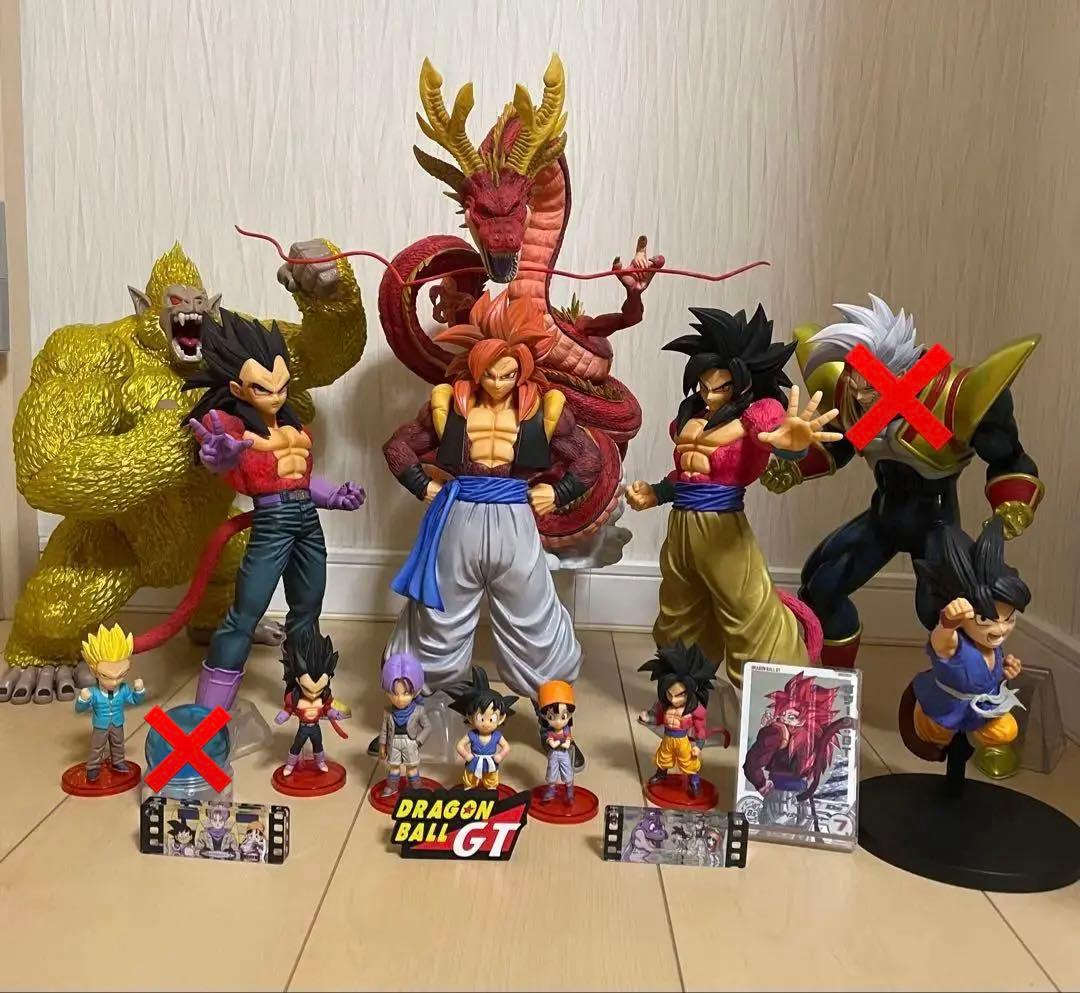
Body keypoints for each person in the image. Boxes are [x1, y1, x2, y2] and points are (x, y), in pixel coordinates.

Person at [762, 294, 1042, 669]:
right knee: (821, 587)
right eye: (854, 383)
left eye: (869, 388)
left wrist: (1012, 502)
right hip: (884, 516)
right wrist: (792, 463)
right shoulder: (850, 392)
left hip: (937, 522)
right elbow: (836, 441)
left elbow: (1009, 459)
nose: (859, 396)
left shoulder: (954, 398)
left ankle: (964, 690)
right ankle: (838, 683)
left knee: (948, 610)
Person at [382, 291, 598, 702]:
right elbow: (398, 448)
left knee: (531, 612)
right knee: (440, 611)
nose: (498, 384)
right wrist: (422, 485)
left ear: (522, 371)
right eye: (490, 375)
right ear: (475, 369)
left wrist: (560, 491)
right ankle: (416, 697)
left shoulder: (540, 410)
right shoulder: (452, 406)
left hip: (515, 517)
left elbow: (588, 459)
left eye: (508, 375)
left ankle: (552, 703)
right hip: (459, 515)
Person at [626, 305, 833, 686]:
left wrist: (793, 447)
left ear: (741, 382)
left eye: (720, 386)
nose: (709, 394)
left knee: (748, 611)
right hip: (681, 526)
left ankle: (779, 693)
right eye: (704, 384)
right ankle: (684, 694)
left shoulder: (757, 412)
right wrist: (656, 493)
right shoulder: (690, 416)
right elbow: (686, 474)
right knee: (679, 611)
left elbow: (776, 438)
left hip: (723, 528)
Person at [184, 310, 364, 710]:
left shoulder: (292, 425)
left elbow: (300, 480)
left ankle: (307, 696)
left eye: (282, 385)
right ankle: (209, 711)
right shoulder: (231, 426)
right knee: (246, 613)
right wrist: (219, 456)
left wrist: (335, 496)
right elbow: (223, 458)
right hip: (272, 522)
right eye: (263, 389)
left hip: (307, 521)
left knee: (308, 609)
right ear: (238, 388)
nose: (277, 395)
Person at [901, 518, 1029, 778]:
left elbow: (988, 671)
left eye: (1009, 619)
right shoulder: (955, 642)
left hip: (983, 708)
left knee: (1006, 731)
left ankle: (968, 743)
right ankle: (951, 747)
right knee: (938, 734)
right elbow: (941, 641)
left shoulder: (991, 645)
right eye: (985, 619)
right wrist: (948, 622)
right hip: (947, 707)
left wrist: (1005, 669)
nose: (999, 629)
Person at [637, 643, 720, 799]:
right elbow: (658, 717)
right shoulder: (663, 705)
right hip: (667, 739)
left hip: (683, 741)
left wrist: (699, 746)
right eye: (670, 694)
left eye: (679, 695)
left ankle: (694, 782)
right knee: (663, 758)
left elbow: (700, 729)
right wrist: (648, 718)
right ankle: (661, 774)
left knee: (689, 762)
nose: (674, 700)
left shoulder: (695, 709)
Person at [74, 624, 146, 782]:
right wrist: (83, 699)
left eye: (121, 675)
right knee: (97, 746)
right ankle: (93, 767)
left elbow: (134, 700)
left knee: (118, 743)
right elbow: (79, 709)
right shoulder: (94, 692)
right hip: (101, 725)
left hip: (118, 723)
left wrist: (139, 690)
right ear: (94, 672)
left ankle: (118, 761)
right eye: (107, 676)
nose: (114, 682)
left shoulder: (124, 689)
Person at [448, 667, 517, 791]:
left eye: (491, 719)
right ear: (470, 717)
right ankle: (469, 790)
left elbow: (506, 747)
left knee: (491, 779)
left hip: (491, 762)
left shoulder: (496, 736)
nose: (486, 724)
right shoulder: (472, 735)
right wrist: (466, 755)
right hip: (474, 762)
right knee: (470, 779)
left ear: (500, 719)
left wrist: (500, 756)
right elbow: (460, 745)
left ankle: (491, 791)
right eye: (481, 718)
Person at [378, 653, 432, 797]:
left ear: (416, 691)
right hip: (393, 743)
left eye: (406, 693)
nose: (400, 699)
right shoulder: (388, 712)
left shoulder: (418, 710)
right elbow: (384, 731)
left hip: (410, 743)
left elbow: (428, 727)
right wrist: (382, 746)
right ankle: (392, 787)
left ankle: (416, 789)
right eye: (394, 693)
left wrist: (418, 742)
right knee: (394, 767)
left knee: (412, 768)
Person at [537, 680, 576, 804]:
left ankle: (570, 793)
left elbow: (567, 744)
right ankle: (550, 792)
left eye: (563, 717)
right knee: (551, 774)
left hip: (564, 754)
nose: (558, 722)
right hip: (554, 754)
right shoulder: (549, 732)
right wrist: (560, 741)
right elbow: (552, 744)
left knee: (567, 773)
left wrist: (559, 741)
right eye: (551, 717)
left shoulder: (566, 730)